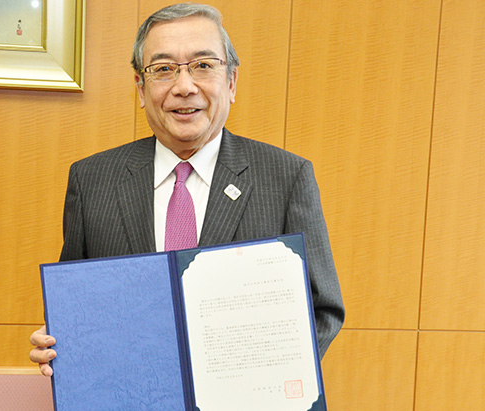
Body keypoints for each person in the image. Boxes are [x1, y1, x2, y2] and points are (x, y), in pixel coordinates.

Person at [30, 3, 344, 377]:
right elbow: (78, 304)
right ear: (141, 88)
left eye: (203, 65)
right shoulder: (92, 179)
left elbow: (322, 308)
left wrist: (270, 380)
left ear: (231, 82)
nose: (184, 87)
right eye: (163, 70)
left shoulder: (285, 177)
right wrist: (59, 342)